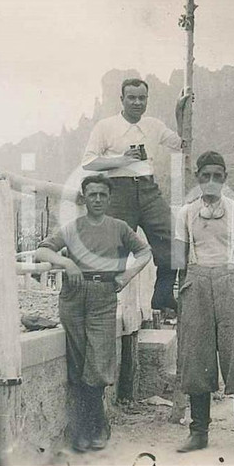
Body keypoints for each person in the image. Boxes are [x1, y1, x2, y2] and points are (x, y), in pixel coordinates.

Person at [34, 175, 153, 453]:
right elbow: (42, 251)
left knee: (97, 364)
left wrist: (127, 275)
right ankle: (85, 430)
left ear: (109, 198)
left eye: (102, 195)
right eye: (92, 195)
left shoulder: (119, 228)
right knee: (77, 362)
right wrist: (65, 262)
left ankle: (94, 427)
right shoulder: (73, 228)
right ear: (84, 198)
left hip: (103, 294)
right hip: (74, 294)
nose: (97, 199)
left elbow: (145, 252)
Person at [173, 151, 234, 458]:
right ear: (197, 178)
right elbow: (179, 257)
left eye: (217, 176)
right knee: (195, 357)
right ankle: (198, 432)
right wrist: (183, 288)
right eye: (205, 176)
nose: (211, 181)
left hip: (230, 282)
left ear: (225, 177)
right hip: (197, 282)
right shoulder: (186, 212)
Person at [81, 78, 191, 313]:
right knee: (113, 249)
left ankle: (162, 296)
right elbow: (88, 162)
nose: (137, 102)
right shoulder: (105, 126)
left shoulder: (153, 125)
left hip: (149, 190)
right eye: (132, 98)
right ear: (121, 99)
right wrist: (122, 159)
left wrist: (179, 112)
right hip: (119, 192)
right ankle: (103, 304)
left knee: (174, 240)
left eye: (142, 98)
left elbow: (181, 143)